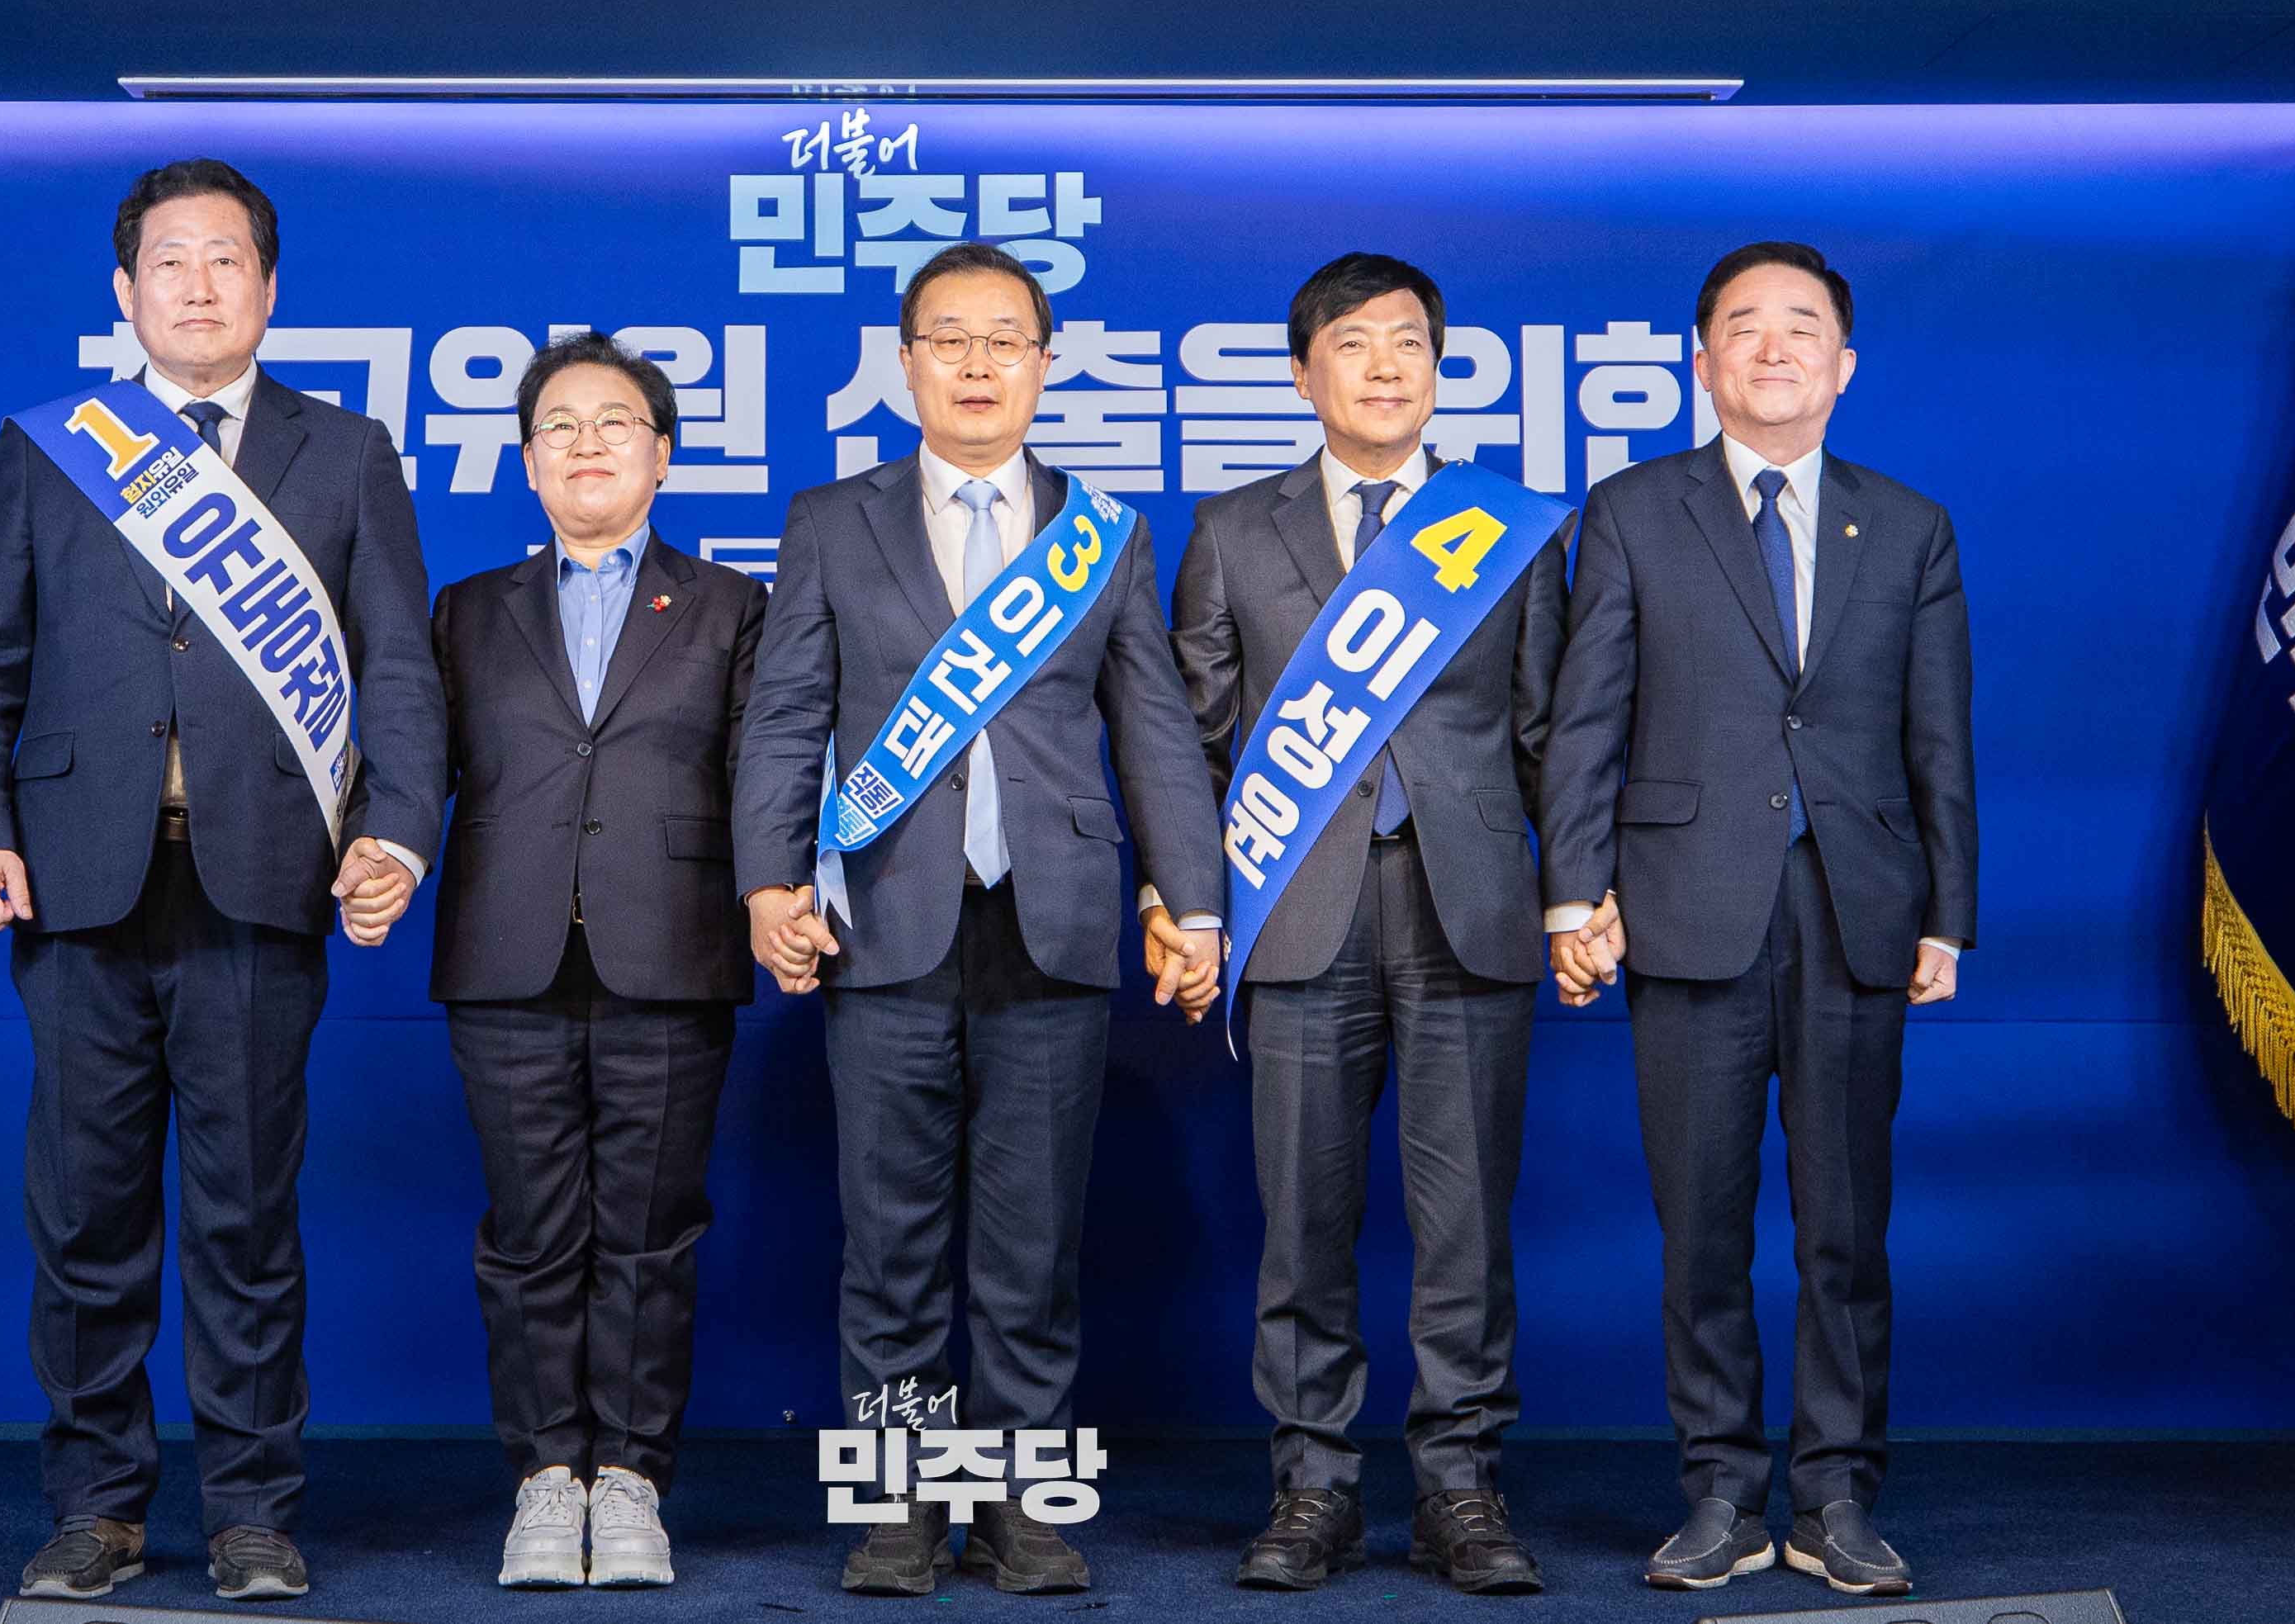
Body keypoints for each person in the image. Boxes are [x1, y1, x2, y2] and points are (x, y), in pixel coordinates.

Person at [0, 158, 447, 1604]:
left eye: (227, 260)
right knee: (84, 1214)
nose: (199, 285)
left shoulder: (348, 452)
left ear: (269, 289)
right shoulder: (51, 448)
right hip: (75, 885)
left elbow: (400, 665)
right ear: (126, 289)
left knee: (246, 1217)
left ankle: (252, 1511)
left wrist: (397, 829)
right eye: (171, 261)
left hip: (263, 881)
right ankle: (95, 1505)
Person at [730, 242, 1224, 1598]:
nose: (977, 364)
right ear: (906, 364)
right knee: (889, 1241)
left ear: (1046, 365)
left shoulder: (1103, 533)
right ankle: (900, 1503)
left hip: (1052, 922)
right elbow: (785, 713)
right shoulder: (834, 519)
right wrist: (770, 882)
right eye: (948, 339)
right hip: (884, 919)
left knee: (1032, 1247)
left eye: (1005, 339)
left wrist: (1191, 899)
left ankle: (1020, 1501)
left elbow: (1157, 732)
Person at [1539, 241, 1976, 1599]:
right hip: (1683, 909)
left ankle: (1837, 1494)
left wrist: (1948, 914)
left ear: (1844, 365)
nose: (1774, 348)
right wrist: (1574, 891)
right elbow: (1585, 719)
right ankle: (1720, 1491)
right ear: (1702, 361)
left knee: (1846, 1227)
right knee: (1701, 1225)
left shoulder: (1908, 525)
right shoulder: (1631, 510)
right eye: (1744, 326)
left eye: (1802, 327)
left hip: (1858, 908)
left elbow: (1940, 738)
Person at [1164, 253, 1569, 1597]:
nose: (1385, 365)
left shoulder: (1505, 528)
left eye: (1408, 343)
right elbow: (1193, 744)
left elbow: (1551, 735)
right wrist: (1188, 904)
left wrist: (1579, 890)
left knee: (1466, 1227)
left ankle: (1461, 1484)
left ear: (1440, 371)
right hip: (1296, 909)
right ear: (1304, 373)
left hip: (1471, 906)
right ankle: (1313, 1485)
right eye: (1353, 342)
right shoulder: (1233, 530)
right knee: (1304, 1219)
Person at [426, 333, 766, 1592]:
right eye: (558, 425)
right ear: (526, 462)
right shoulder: (466, 611)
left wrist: (783, 896)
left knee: (649, 1233)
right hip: (504, 954)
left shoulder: (731, 606)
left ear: (662, 454)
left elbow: (766, 775)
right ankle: (542, 1476)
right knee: (527, 1233)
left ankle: (629, 1477)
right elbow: (412, 770)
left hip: (670, 951)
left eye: (615, 422)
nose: (586, 443)